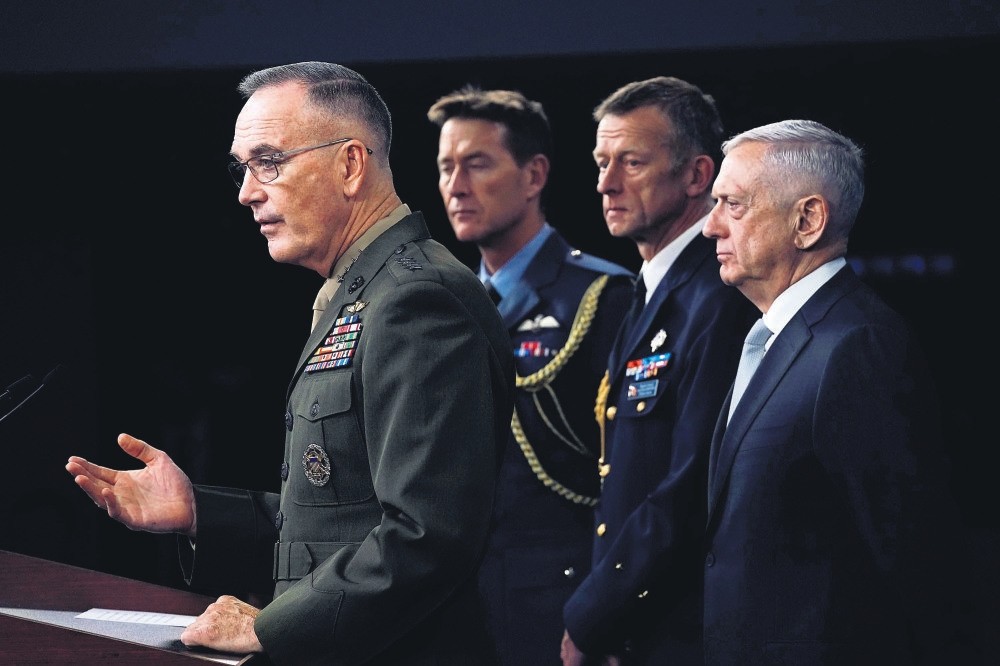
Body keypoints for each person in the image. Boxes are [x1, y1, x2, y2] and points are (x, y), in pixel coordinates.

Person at [65, 61, 514, 666]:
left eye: (269, 161)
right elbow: (341, 523)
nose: (248, 190)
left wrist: (271, 629)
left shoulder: (416, 300)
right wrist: (200, 512)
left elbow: (426, 536)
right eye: (242, 167)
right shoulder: (358, 292)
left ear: (350, 165)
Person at [702, 119, 976, 663]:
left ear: (807, 220)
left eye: (732, 204)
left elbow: (915, 559)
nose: (711, 226)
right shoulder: (776, 337)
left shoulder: (858, 346)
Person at [427, 86, 634, 665]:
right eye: (446, 167)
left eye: (478, 163)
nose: (457, 185)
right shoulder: (443, 304)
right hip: (457, 606)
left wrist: (607, 611)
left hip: (561, 601)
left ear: (534, 175)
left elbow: (633, 470)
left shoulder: (602, 296)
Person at [560, 77, 758, 664]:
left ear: (698, 176)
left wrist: (592, 614)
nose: (605, 183)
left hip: (681, 629)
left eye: (632, 162)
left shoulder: (718, 297)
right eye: (601, 163)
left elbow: (690, 485)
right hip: (637, 625)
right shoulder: (650, 290)